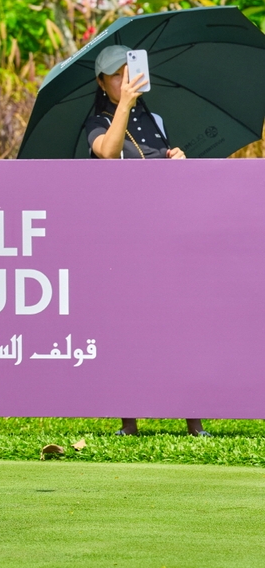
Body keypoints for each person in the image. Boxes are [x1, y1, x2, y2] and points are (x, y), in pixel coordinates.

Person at [84, 43, 207, 438]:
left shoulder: (155, 117)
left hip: (163, 234)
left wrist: (178, 162)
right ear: (102, 83)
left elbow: (160, 171)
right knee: (128, 328)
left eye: (129, 71)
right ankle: (129, 422)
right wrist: (124, 104)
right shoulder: (97, 120)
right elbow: (108, 152)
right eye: (116, 76)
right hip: (122, 240)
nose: (125, 80)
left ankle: (193, 421)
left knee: (179, 326)